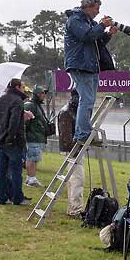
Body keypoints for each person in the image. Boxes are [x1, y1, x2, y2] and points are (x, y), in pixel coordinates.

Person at [64, 0, 119, 144]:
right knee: (86, 100)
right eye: (96, 8)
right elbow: (87, 36)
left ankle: (83, 132)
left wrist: (108, 33)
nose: (98, 12)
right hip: (80, 65)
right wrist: (101, 25)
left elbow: (98, 40)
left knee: (89, 100)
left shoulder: (89, 21)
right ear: (87, 6)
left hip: (90, 65)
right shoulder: (75, 19)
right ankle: (82, 134)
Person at [0, 78, 34, 206]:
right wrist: (11, 138)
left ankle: (2, 197)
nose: (24, 89)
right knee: (16, 171)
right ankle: (17, 198)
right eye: (23, 87)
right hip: (13, 142)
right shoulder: (17, 101)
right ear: (17, 87)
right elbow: (14, 122)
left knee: (1, 171)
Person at [57, 90, 85, 218]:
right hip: (71, 151)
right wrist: (77, 146)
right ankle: (75, 209)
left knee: (75, 180)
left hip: (75, 149)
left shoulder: (73, 111)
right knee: (77, 180)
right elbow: (66, 137)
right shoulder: (67, 112)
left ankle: (74, 207)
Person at [23, 85, 51, 187]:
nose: (44, 95)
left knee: (34, 158)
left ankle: (30, 178)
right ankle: (31, 179)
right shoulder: (30, 105)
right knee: (32, 158)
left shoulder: (36, 105)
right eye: (42, 93)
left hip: (37, 137)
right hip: (33, 137)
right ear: (37, 94)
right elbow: (25, 122)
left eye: (44, 93)